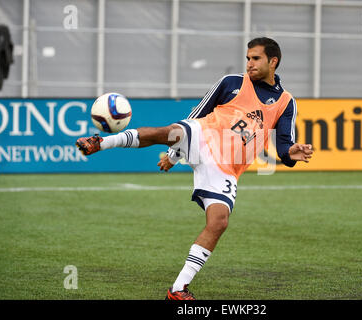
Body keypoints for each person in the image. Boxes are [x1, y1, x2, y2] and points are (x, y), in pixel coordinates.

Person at [76, 37, 313, 300]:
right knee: (163, 132)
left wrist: (291, 153)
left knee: (219, 222)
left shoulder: (285, 102)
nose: (249, 63)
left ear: (273, 61)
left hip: (225, 167)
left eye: (255, 58)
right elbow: (196, 115)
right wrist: (173, 154)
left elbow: (283, 147)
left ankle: (178, 289)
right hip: (204, 134)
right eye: (247, 58)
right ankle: (101, 142)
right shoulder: (231, 83)